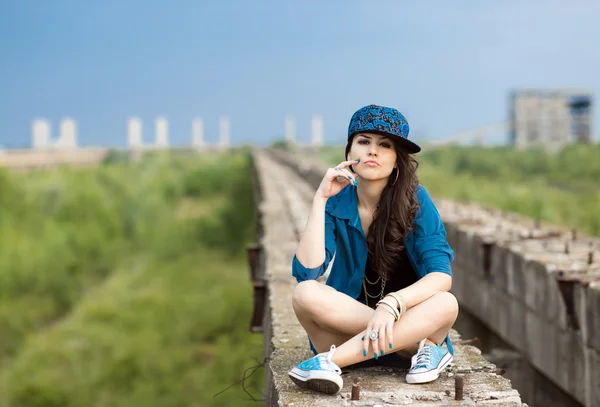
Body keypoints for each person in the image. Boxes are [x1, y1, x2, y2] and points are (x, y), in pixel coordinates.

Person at [287, 104, 459, 395]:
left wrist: (391, 306)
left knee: (446, 303)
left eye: (385, 145)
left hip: (377, 338)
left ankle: (328, 362)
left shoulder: (415, 200)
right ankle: (423, 346)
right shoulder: (337, 200)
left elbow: (441, 276)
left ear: (397, 160)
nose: (372, 151)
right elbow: (308, 271)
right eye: (363, 142)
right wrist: (320, 199)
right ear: (349, 151)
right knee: (305, 293)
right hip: (363, 333)